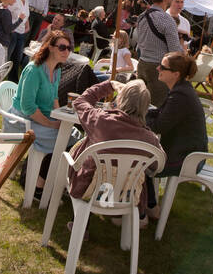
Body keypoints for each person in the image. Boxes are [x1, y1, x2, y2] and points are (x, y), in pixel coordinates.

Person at [67, 78, 160, 218]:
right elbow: (157, 165)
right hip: (127, 195)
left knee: (88, 147)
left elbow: (80, 102)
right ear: (146, 107)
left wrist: (109, 85)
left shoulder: (101, 121)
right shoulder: (149, 138)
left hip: (88, 189)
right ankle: (134, 223)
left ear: (120, 99)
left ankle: (82, 224)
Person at [8, 28, 72, 195]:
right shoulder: (34, 70)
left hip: (41, 117)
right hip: (22, 119)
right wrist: (52, 124)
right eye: (62, 47)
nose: (67, 51)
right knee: (62, 139)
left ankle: (53, 178)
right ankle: (37, 184)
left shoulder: (56, 69)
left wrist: (61, 117)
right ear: (50, 47)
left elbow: (54, 98)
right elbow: (28, 107)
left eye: (69, 48)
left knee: (73, 136)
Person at [145, 51, 209, 218]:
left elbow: (159, 125)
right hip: (186, 152)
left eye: (163, 67)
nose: (158, 68)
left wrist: (138, 119)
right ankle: (148, 205)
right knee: (139, 159)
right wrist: (141, 113)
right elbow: (160, 114)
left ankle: (148, 209)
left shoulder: (180, 95)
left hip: (186, 158)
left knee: (137, 162)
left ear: (175, 74)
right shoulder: (180, 90)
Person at [132, 0, 183, 107]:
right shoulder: (167, 20)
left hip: (142, 64)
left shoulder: (142, 17)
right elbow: (174, 52)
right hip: (159, 69)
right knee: (156, 108)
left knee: (139, 106)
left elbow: (138, 41)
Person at [8, 0, 35, 74]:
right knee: (8, 56)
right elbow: (8, 13)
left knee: (17, 58)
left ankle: (13, 80)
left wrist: (27, 26)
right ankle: (0, 76)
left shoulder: (26, 1)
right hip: (13, 32)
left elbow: (26, 15)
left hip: (22, 33)